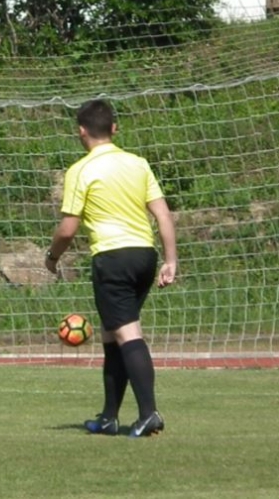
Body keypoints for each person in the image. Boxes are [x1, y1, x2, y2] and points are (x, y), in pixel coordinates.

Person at [45, 99, 177, 438]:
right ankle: (108, 417)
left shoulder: (81, 170)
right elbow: (163, 214)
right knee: (111, 333)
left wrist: (52, 257)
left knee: (128, 335)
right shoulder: (137, 163)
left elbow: (67, 229)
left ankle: (149, 414)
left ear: (81, 132)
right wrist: (171, 260)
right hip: (144, 256)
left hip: (113, 258)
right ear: (114, 129)